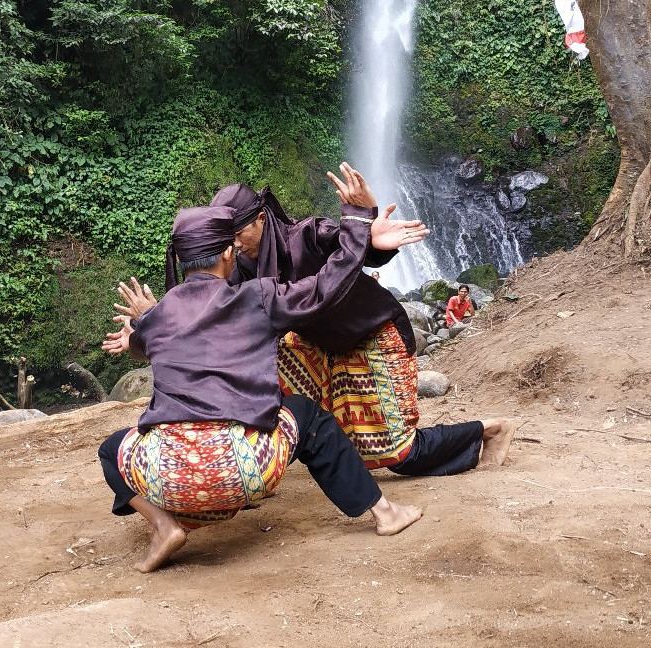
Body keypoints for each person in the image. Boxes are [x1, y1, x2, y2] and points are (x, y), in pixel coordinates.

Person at [99, 170, 424, 573]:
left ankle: (164, 526)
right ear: (227, 256)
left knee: (110, 448)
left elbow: (139, 348)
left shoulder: (159, 315)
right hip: (245, 468)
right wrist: (357, 220)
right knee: (307, 416)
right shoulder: (258, 297)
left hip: (168, 478)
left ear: (180, 259)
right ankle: (384, 512)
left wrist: (140, 328)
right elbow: (326, 285)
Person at [209, 163, 515, 478]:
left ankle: (488, 431)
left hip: (374, 336)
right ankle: (253, 466)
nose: (234, 244)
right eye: (225, 238)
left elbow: (349, 244)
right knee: (257, 371)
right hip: (317, 345)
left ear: (261, 219)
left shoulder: (306, 233)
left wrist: (369, 236)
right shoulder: (242, 266)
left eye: (237, 233)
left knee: (398, 454)